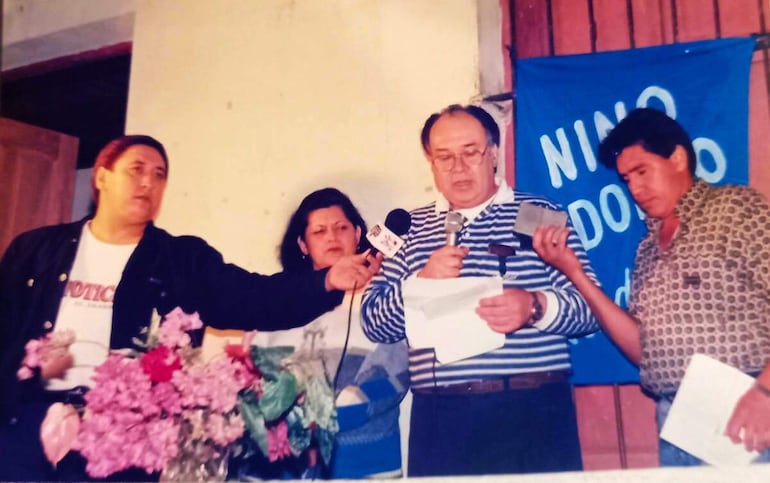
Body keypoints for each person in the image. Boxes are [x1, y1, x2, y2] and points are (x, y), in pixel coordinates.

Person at [0, 135, 381, 481]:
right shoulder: (35, 250)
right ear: (101, 177)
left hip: (124, 435)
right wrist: (24, 365)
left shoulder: (180, 260)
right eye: (136, 169)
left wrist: (326, 281)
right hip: (25, 423)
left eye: (159, 174)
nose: (149, 182)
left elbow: (255, 296)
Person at [360, 104, 599, 476]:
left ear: (493, 154)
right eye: (444, 157)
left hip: (532, 408)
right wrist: (419, 282)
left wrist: (535, 306)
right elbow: (374, 324)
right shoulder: (406, 229)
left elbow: (589, 309)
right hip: (441, 417)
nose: (458, 167)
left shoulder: (537, 213)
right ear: (431, 163)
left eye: (470, 153)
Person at [532, 107, 770, 466]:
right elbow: (644, 353)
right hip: (679, 420)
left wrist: (764, 393)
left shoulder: (735, 209)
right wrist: (574, 272)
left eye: (642, 171)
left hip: (747, 411)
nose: (635, 188)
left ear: (677, 157)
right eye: (626, 179)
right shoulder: (647, 249)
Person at [236, 187, 408, 479]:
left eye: (341, 228)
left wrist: (319, 413)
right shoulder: (276, 299)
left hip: (362, 461)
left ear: (357, 234)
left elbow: (396, 374)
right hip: (284, 465)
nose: (332, 237)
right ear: (303, 244)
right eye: (319, 231)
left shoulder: (382, 294)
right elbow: (249, 378)